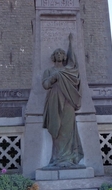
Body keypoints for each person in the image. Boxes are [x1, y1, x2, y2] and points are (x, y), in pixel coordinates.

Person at [42, 33, 84, 168]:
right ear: (54, 57)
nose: (59, 55)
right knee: (57, 128)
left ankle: (69, 158)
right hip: (54, 100)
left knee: (67, 128)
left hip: (68, 101)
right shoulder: (50, 70)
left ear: (65, 56)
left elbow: (76, 73)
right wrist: (54, 77)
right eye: (57, 53)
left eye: (61, 53)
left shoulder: (69, 70)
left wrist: (71, 42)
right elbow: (45, 85)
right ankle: (57, 158)